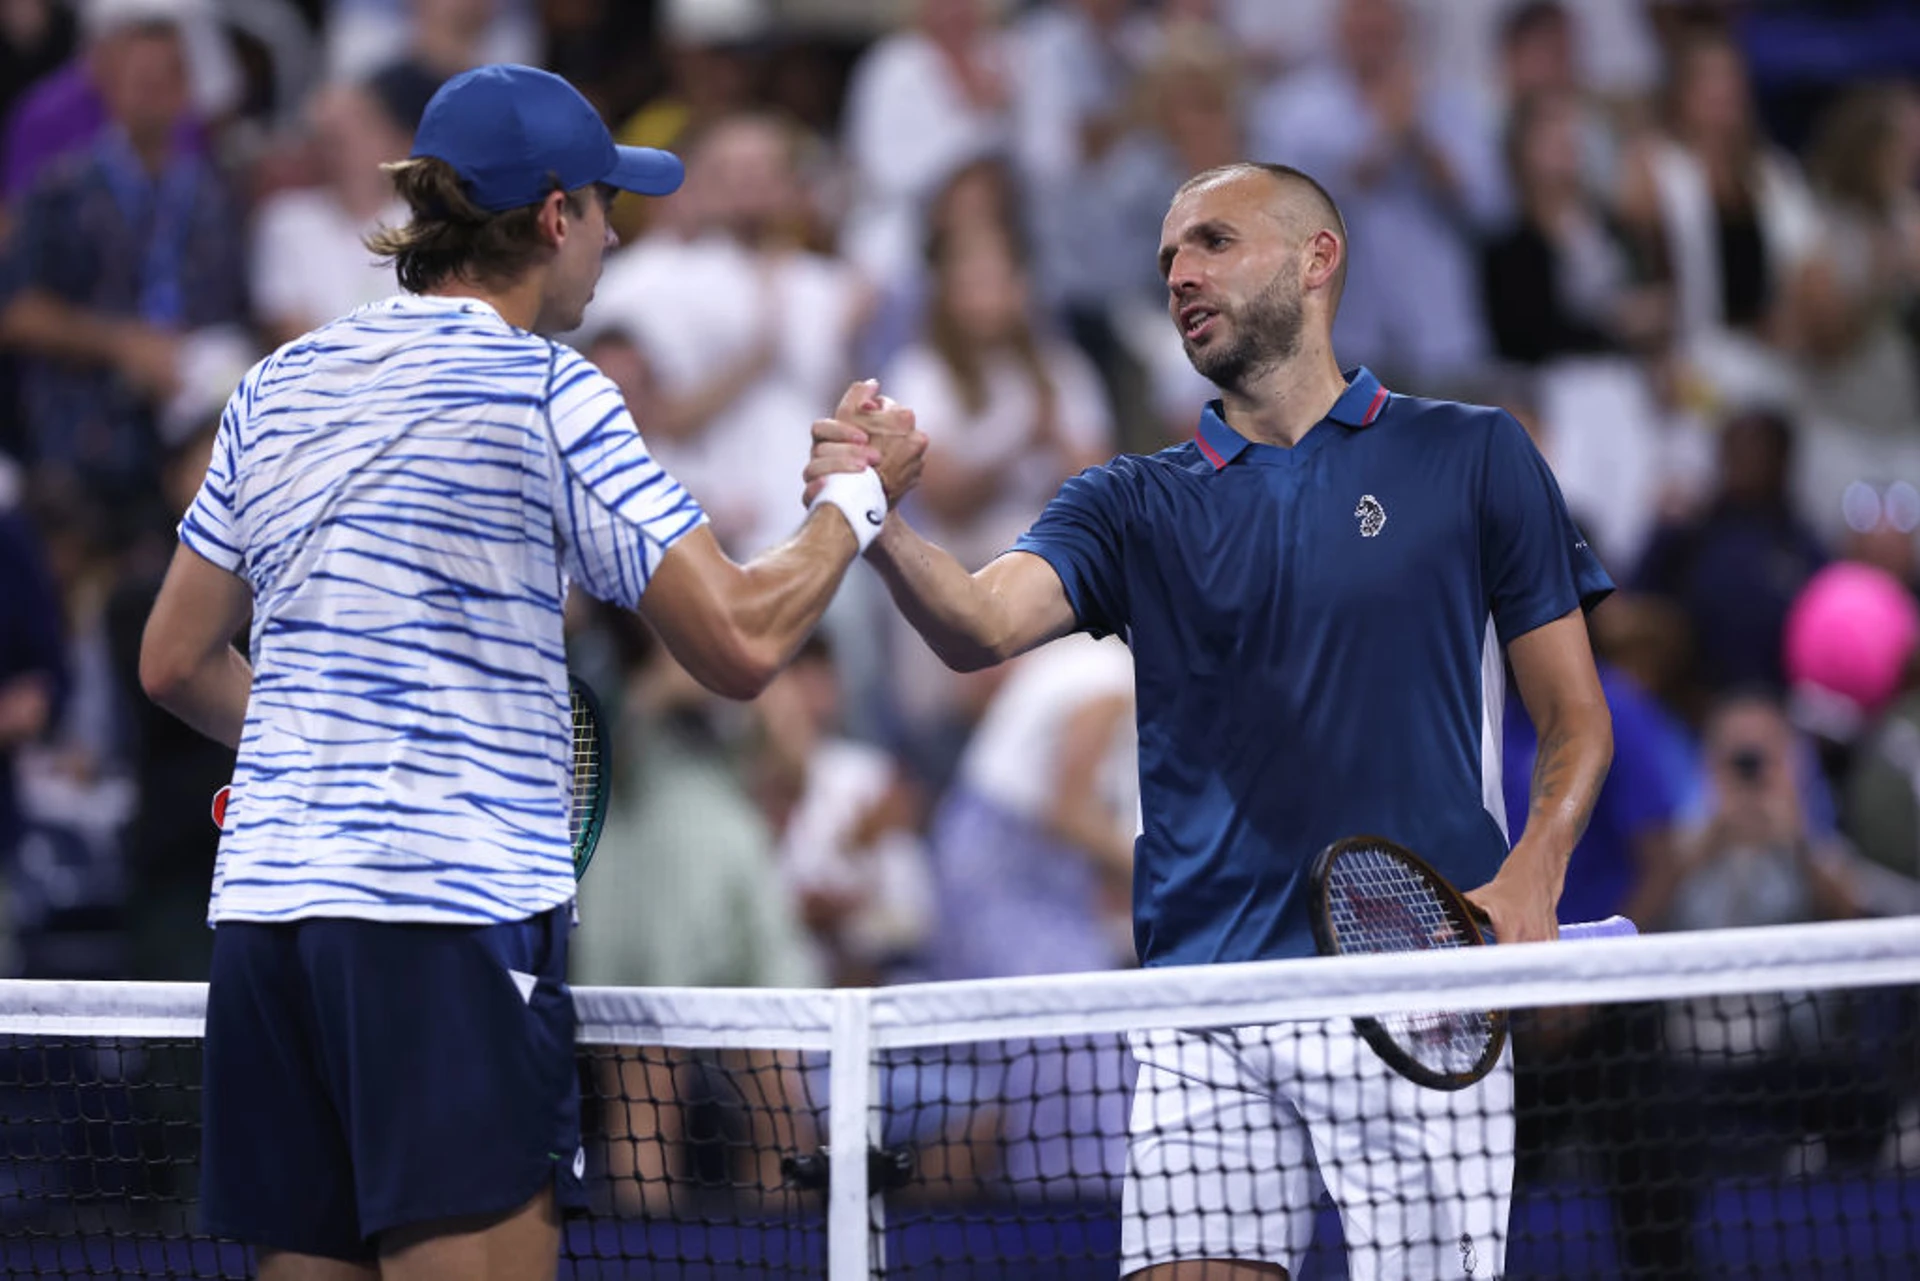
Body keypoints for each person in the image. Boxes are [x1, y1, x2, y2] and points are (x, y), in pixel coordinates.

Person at [136, 63, 924, 1279]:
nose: (614, 240)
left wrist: (300, 749)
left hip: (266, 927)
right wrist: (854, 502)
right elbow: (743, 642)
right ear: (555, 216)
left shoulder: (276, 382)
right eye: (607, 208)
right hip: (438, 927)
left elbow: (175, 660)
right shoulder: (548, 392)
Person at [813, 160, 1613, 1278]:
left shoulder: (1472, 454)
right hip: (1207, 1003)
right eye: (1167, 261)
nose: (1181, 274)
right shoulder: (1131, 501)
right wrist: (877, 519)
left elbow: (1574, 714)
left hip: (1417, 988)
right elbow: (978, 625)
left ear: (1316, 259)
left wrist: (1538, 864)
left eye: (1214, 243)